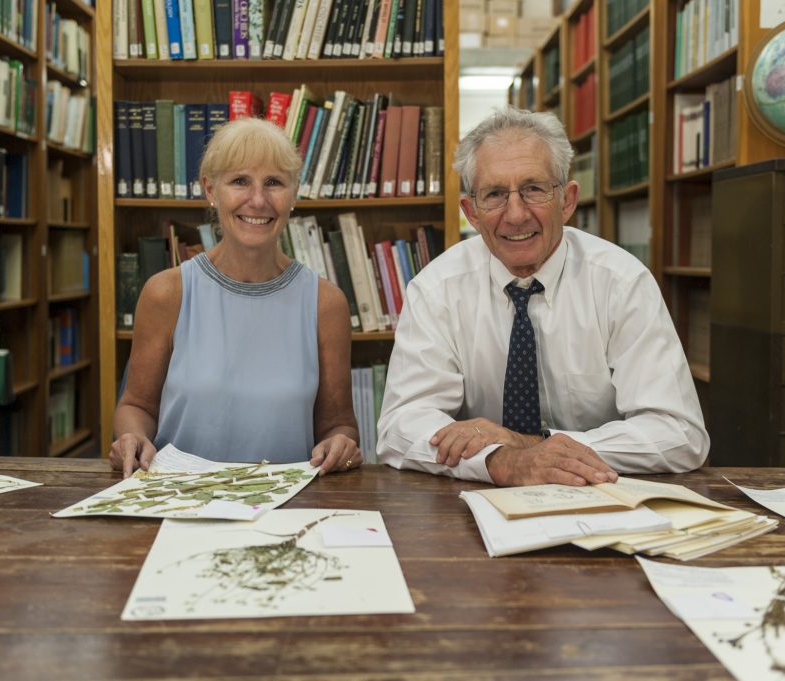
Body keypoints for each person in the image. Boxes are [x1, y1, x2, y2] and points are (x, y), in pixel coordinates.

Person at [376, 107, 708, 487]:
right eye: (495, 194)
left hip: (602, 496)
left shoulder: (622, 282)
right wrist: (500, 461)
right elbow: (400, 428)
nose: (515, 215)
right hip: (477, 506)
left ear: (567, 201)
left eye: (533, 189)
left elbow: (680, 434)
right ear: (471, 212)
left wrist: (532, 447)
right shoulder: (437, 289)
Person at [109, 117, 361, 477]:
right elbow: (136, 405)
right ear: (211, 190)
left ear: (294, 194)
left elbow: (339, 426)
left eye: (274, 183)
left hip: (284, 510)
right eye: (240, 181)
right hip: (178, 503)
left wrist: (342, 446)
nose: (257, 200)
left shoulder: (326, 304)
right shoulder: (166, 293)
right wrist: (132, 436)